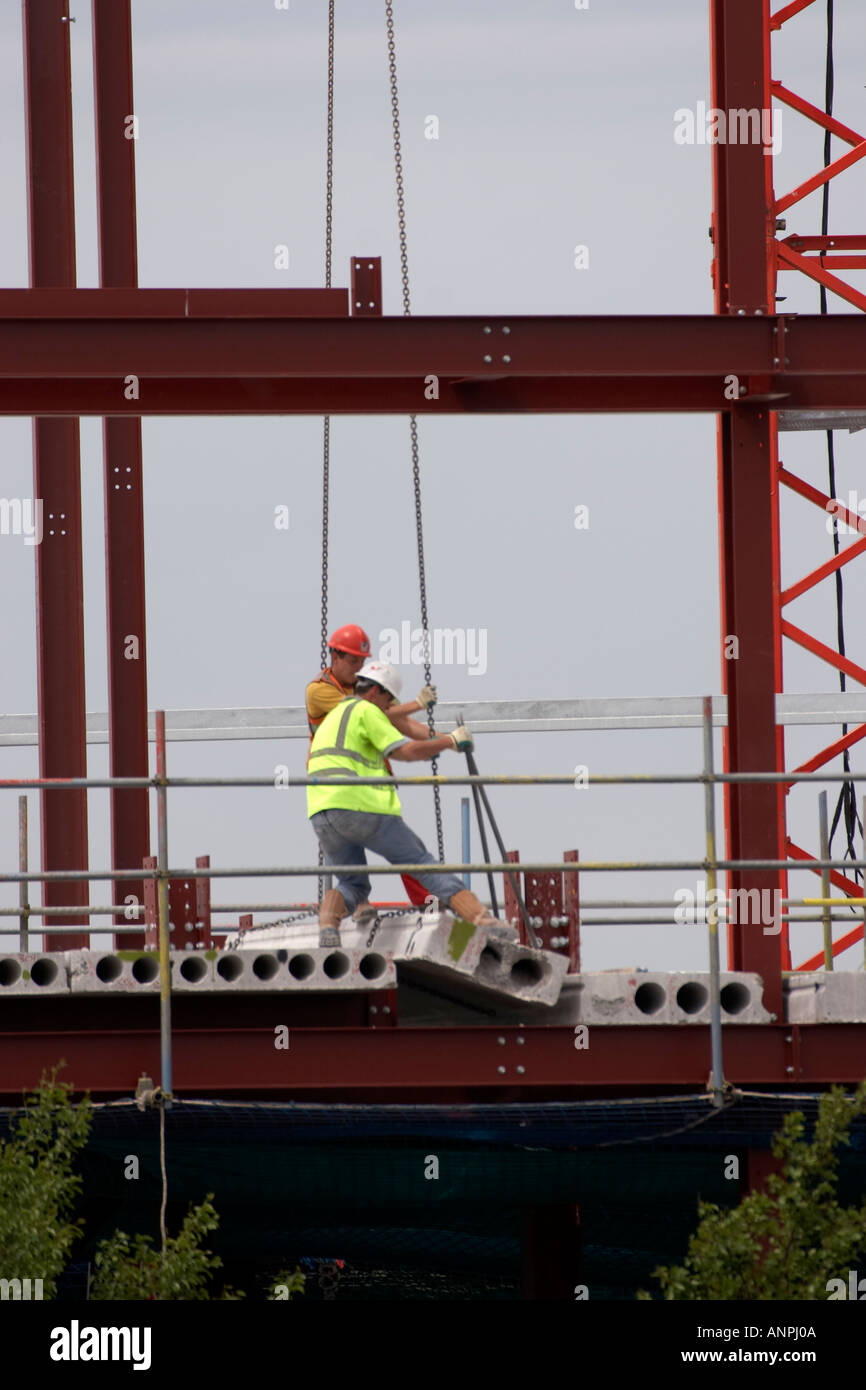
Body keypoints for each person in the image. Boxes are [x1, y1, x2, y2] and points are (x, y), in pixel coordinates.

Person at [307, 659, 504, 946]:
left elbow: (410, 734)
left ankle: (328, 927)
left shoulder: (335, 715)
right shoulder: (367, 711)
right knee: (423, 863)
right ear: (375, 692)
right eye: (387, 699)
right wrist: (449, 741)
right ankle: (483, 920)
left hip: (322, 813)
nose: (388, 707)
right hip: (362, 807)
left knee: (352, 884)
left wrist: (436, 741)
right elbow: (407, 751)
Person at [305, 623, 439, 909]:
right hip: (337, 785)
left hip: (368, 784)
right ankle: (357, 906)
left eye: (362, 661)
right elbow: (366, 710)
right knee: (355, 861)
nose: (358, 667)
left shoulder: (368, 684)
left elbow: (401, 723)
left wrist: (442, 740)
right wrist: (416, 702)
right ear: (335, 656)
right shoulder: (320, 691)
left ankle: (425, 902)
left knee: (405, 848)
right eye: (353, 660)